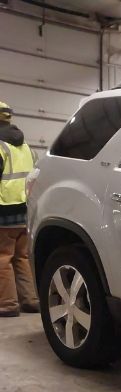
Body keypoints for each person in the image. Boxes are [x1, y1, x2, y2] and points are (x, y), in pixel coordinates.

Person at [0, 101, 38, 317]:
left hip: (3, 211)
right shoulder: (25, 147)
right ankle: (31, 300)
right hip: (25, 211)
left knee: (2, 258)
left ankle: (7, 304)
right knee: (21, 257)